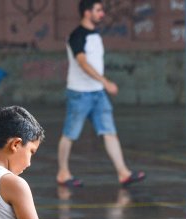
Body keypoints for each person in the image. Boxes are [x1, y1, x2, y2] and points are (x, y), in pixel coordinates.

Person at [56, 0, 145, 188]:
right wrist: (105, 82)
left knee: (110, 133)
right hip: (80, 94)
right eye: (98, 10)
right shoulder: (77, 36)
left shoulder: (95, 35)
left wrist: (101, 86)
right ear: (87, 13)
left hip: (98, 94)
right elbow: (83, 63)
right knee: (70, 134)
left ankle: (123, 173)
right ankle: (63, 173)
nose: (102, 14)